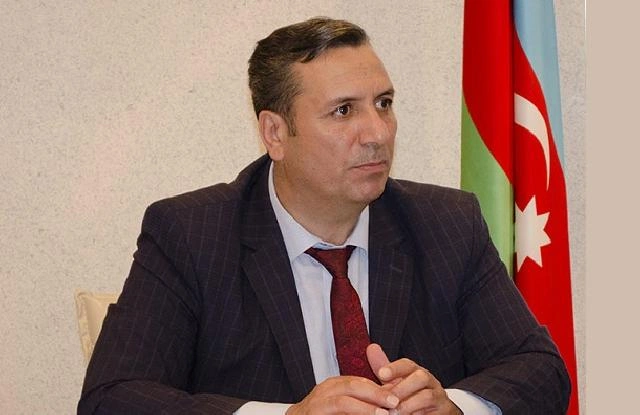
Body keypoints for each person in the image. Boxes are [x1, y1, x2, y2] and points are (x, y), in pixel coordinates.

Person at [78, 17, 570, 414]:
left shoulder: (446, 224)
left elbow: (540, 370)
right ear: (274, 133)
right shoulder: (191, 235)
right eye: (343, 111)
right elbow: (112, 399)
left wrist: (455, 407)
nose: (377, 133)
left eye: (383, 104)